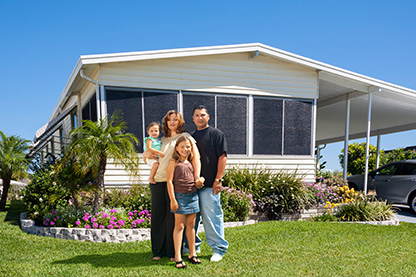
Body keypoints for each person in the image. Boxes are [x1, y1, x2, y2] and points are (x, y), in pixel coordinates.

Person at [144, 110, 202, 261]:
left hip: (175, 183)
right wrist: (146, 156)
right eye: (169, 120)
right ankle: (157, 251)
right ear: (166, 122)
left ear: (180, 121)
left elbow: (196, 157)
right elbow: (147, 155)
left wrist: (196, 177)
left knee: (172, 218)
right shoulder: (160, 140)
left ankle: (172, 253)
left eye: (175, 119)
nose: (172, 122)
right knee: (158, 216)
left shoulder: (186, 137)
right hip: (157, 181)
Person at [186, 105, 229, 262]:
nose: (200, 118)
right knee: (192, 218)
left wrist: (218, 179)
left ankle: (218, 249)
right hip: (192, 186)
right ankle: (193, 246)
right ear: (193, 118)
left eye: (203, 115)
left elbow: (222, 157)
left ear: (208, 117)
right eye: (197, 115)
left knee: (212, 217)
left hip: (210, 184)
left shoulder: (216, 134)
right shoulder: (190, 137)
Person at [167, 136, 205, 269]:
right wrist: (173, 199)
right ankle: (178, 257)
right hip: (180, 197)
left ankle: (192, 254)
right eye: (182, 147)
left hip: (193, 196)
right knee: (179, 227)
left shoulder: (191, 162)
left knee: (191, 226)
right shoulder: (173, 162)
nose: (185, 149)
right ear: (177, 148)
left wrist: (201, 180)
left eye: (188, 147)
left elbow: (197, 180)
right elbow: (169, 182)